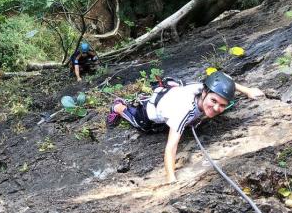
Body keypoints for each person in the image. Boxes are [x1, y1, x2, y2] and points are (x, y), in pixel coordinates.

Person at [106, 71, 264, 183]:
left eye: (222, 105)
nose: (216, 108)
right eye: (213, 101)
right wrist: (171, 178)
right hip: (152, 111)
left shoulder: (206, 87)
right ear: (204, 93)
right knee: (141, 124)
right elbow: (171, 147)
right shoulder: (183, 112)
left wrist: (248, 91)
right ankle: (118, 107)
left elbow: (226, 81)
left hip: (173, 95)